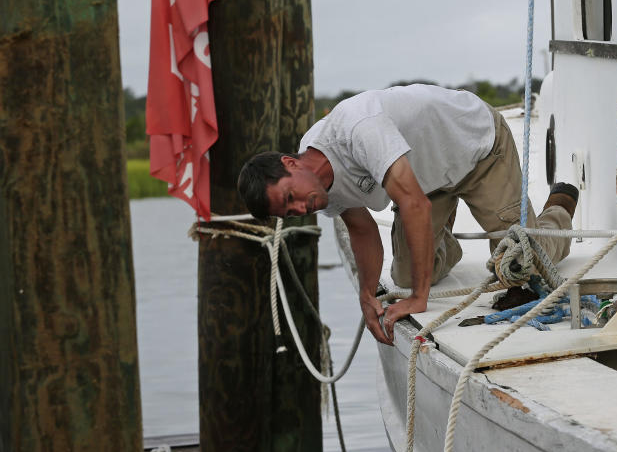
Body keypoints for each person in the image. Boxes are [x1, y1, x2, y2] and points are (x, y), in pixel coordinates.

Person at [237, 84, 578, 345]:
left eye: (291, 197)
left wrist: (420, 299)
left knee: (521, 263)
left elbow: (415, 206)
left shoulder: (357, 129)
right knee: (405, 278)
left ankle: (559, 207)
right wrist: (367, 294)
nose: (301, 208)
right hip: (425, 182)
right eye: (290, 211)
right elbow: (362, 231)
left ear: (290, 163)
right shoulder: (317, 188)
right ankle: (443, 236)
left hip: (477, 149)